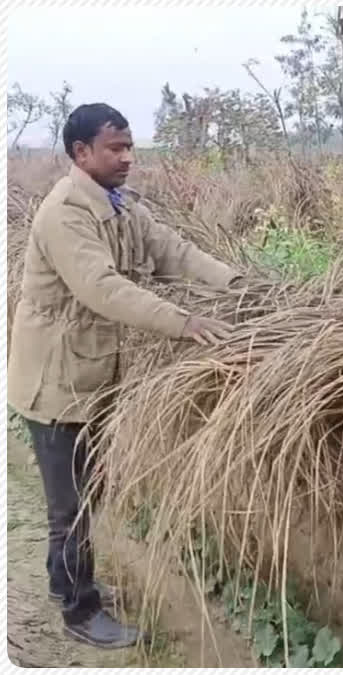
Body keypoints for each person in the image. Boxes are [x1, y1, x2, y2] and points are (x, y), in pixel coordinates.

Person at [8, 103, 241, 648]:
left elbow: (173, 251)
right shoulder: (65, 212)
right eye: (115, 148)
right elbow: (103, 289)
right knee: (70, 508)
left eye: (130, 146)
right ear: (80, 152)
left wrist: (236, 285)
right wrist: (184, 323)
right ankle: (78, 611)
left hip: (93, 379)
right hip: (55, 385)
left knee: (89, 494)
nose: (128, 158)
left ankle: (68, 582)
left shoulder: (119, 205)